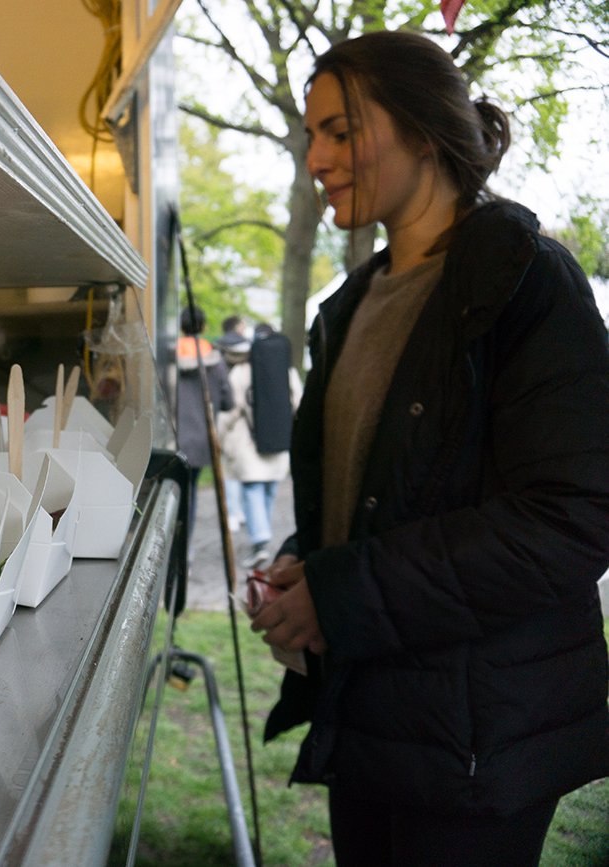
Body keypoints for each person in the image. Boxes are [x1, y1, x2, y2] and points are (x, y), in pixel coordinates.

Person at [249, 30, 609, 866]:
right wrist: (306, 572)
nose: (316, 157)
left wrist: (340, 592)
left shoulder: (526, 280)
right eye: (311, 136)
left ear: (420, 129)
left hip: (478, 740)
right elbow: (378, 496)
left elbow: (573, 519)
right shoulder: (350, 307)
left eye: (340, 131)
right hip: (367, 713)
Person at [218, 323, 301, 569]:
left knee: (252, 490)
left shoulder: (242, 371)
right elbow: (298, 402)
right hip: (279, 442)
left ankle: (260, 540)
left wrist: (220, 437)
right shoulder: (287, 371)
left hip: (249, 444)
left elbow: (230, 409)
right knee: (268, 490)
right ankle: (262, 533)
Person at [174, 304, 233, 550]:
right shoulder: (215, 362)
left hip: (173, 438)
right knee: (191, 493)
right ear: (204, 327)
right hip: (201, 441)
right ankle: (184, 548)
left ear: (181, 327)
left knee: (171, 494)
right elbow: (229, 401)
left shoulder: (170, 357)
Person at [218, 315, 252, 532]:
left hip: (229, 418)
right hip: (243, 421)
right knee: (241, 470)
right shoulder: (247, 354)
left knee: (230, 470)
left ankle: (233, 512)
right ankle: (239, 513)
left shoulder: (220, 349)